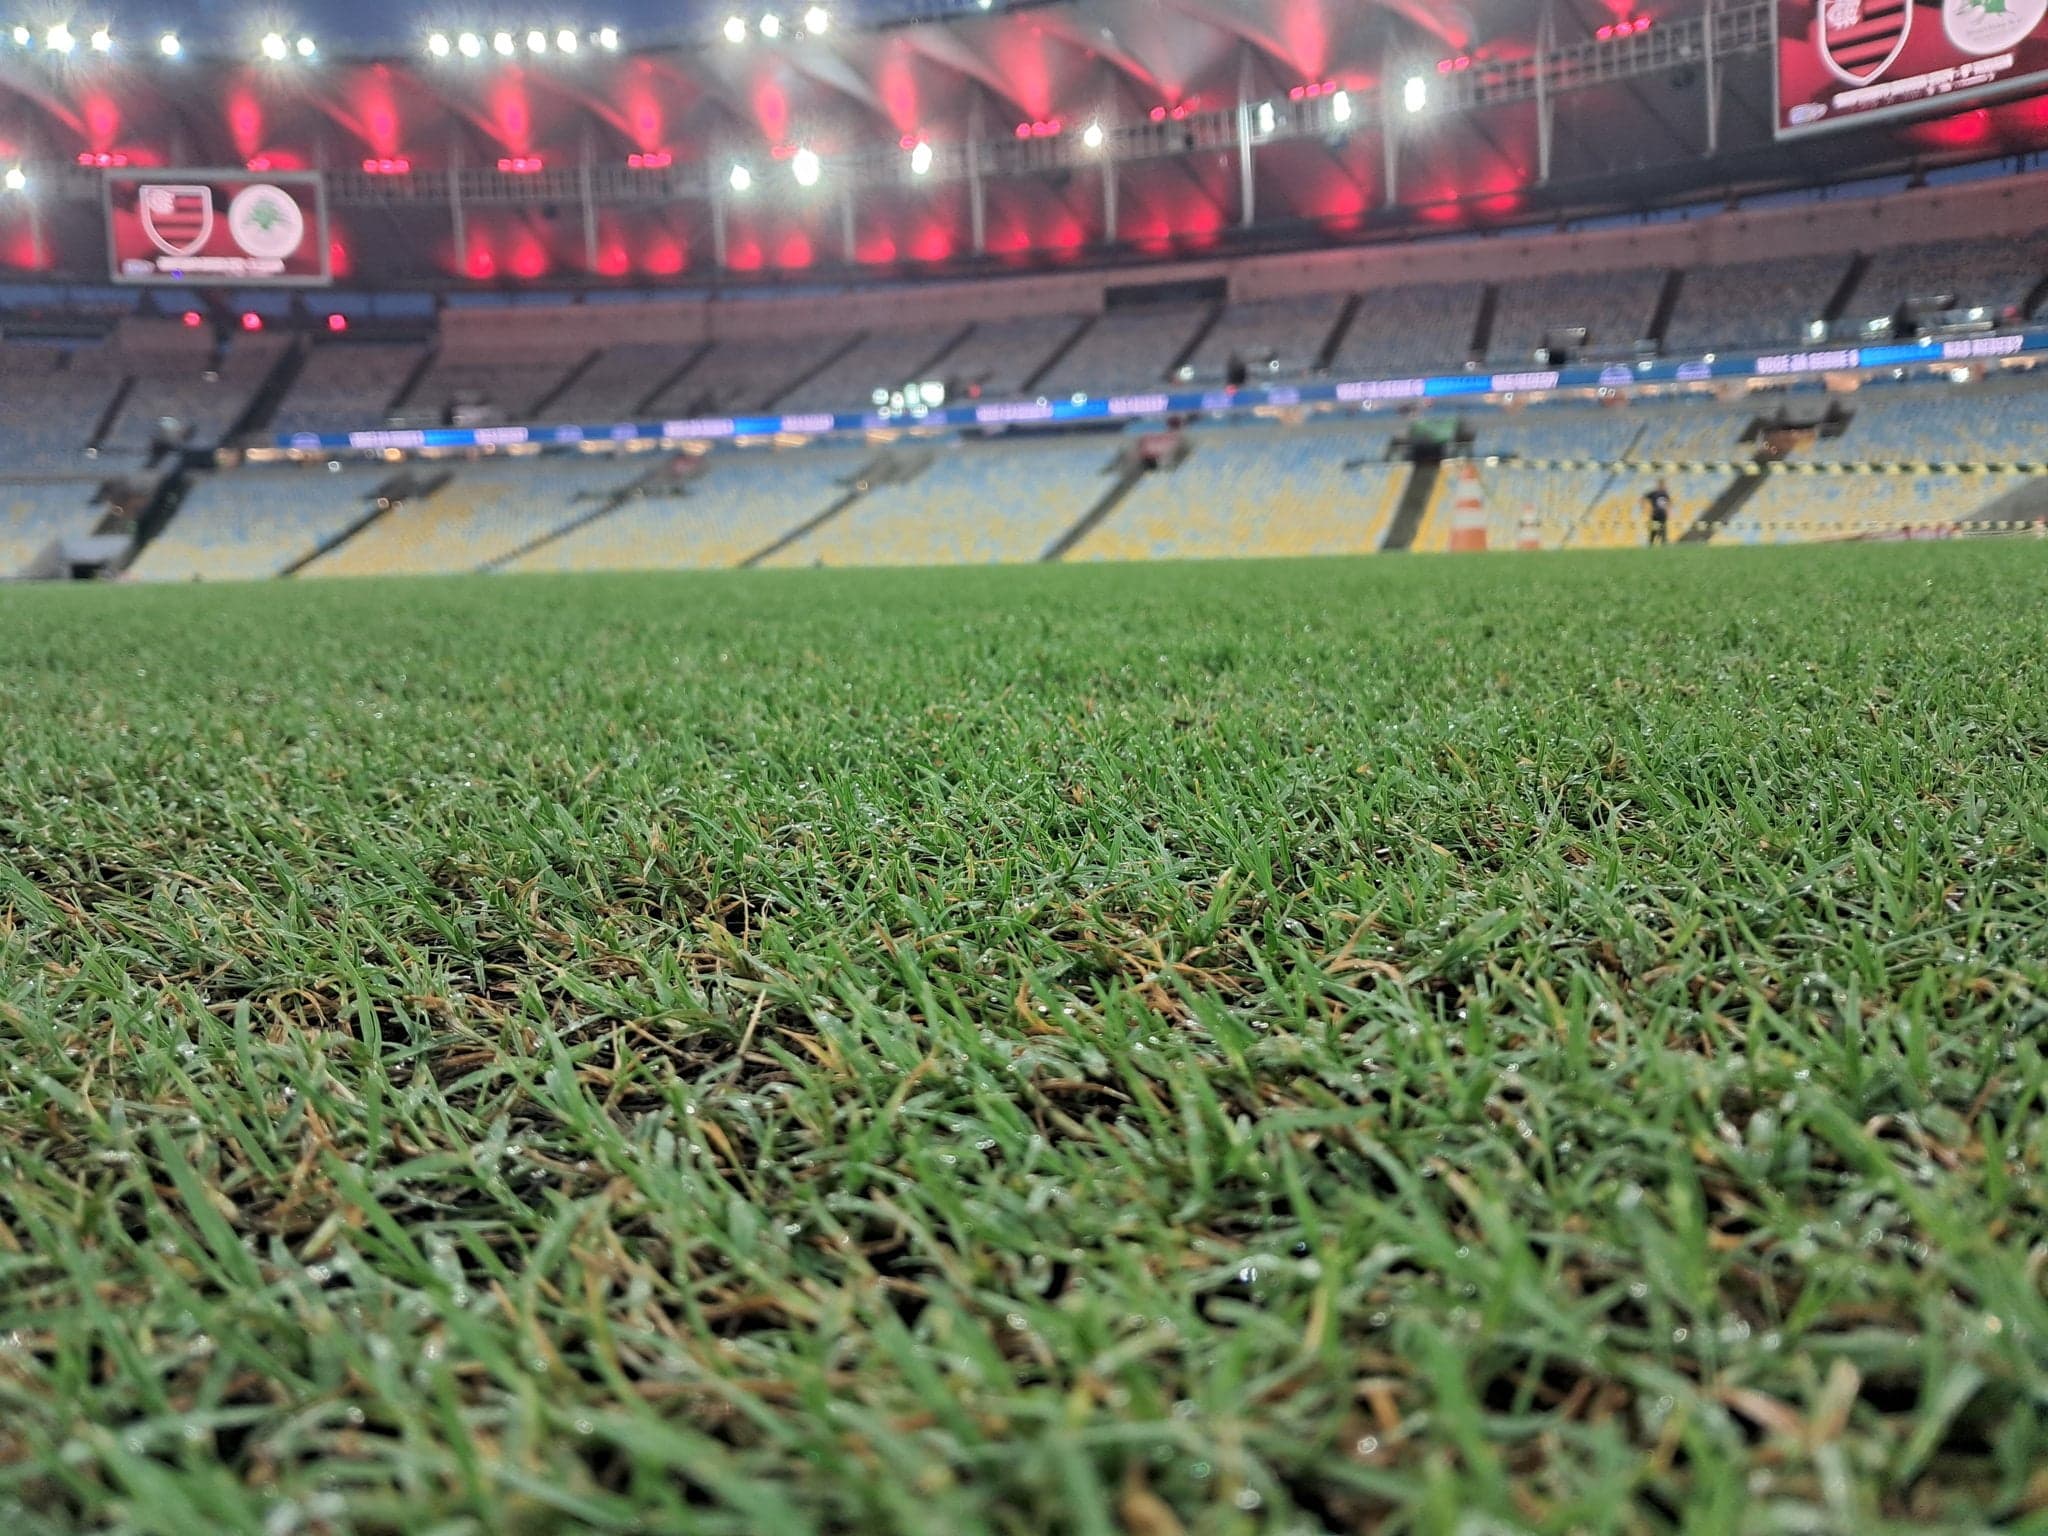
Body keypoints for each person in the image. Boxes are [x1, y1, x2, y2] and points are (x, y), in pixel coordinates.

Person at [1644, 480, 1671, 547]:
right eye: (1661, 484)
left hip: (1662, 514)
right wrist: (1645, 509)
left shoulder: (1665, 493)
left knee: (1663, 529)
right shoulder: (1654, 493)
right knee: (1654, 529)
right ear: (1659, 485)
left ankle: (1663, 543)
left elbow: (1668, 503)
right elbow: (1643, 498)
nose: (1663, 486)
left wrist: (1668, 511)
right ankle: (1651, 543)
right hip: (1655, 514)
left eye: (1663, 484)